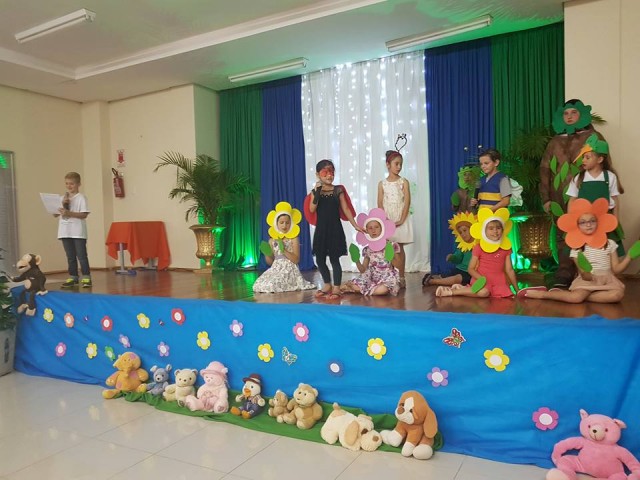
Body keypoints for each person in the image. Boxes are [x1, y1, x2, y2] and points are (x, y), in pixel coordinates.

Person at [540, 99, 610, 289]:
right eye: (566, 113)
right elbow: (545, 170)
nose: (569, 117)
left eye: (574, 113)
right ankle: (564, 272)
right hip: (558, 198)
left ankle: (590, 273)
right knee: (563, 233)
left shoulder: (594, 137)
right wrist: (546, 198)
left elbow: (604, 164)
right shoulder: (555, 142)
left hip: (587, 196)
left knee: (589, 230)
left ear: (582, 115)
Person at [521, 198, 634, 303]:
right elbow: (584, 274)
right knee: (576, 298)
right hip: (588, 280)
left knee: (617, 295)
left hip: (606, 280)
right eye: (583, 222)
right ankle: (544, 294)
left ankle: (584, 297)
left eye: (592, 221)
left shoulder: (610, 243)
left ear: (598, 222)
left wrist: (629, 256)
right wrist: (588, 274)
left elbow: (617, 269)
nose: (588, 225)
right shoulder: (577, 248)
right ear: (577, 226)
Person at [305, 159, 363, 300]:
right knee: (320, 259)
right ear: (318, 174)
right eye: (325, 172)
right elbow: (312, 209)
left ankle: (336, 286)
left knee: (334, 259)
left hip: (335, 229)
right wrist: (317, 192)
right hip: (321, 230)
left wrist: (355, 225)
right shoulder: (315, 192)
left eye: (331, 172)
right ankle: (327, 284)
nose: (329, 175)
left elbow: (346, 209)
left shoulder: (338, 190)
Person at [435, 208, 518, 298]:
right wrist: (481, 278)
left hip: (498, 282)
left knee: (504, 296)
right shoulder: (479, 247)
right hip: (481, 280)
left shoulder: (506, 248)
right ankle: (451, 292)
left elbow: (509, 270)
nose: (495, 231)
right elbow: (470, 269)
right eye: (491, 228)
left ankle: (463, 289)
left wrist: (517, 290)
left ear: (503, 229)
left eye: (498, 228)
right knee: (484, 293)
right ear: (484, 231)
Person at [567, 134, 625, 255]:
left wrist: (615, 220)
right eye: (583, 157)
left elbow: (615, 200)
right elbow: (572, 200)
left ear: (600, 159)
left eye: (587, 157)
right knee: (586, 252)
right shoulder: (579, 178)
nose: (583, 160)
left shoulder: (610, 177)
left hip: (604, 221)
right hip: (585, 223)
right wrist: (572, 221)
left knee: (609, 251)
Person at [253, 202, 316, 294]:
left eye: (287, 223)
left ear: (291, 223)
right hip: (276, 269)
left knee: (272, 285)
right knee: (258, 284)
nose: (284, 225)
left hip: (289, 269)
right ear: (276, 223)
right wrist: (267, 254)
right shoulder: (272, 240)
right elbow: (271, 262)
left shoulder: (293, 239)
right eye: (281, 223)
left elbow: (296, 260)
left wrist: (284, 250)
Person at [341, 211, 401, 296]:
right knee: (358, 284)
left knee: (383, 290)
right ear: (366, 231)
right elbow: (363, 270)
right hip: (372, 276)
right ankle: (362, 288)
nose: (373, 230)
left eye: (376, 227)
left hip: (386, 277)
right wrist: (356, 260)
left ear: (382, 228)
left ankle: (360, 289)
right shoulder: (368, 249)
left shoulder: (391, 245)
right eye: (370, 228)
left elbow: (399, 265)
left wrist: (391, 256)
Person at [378, 148, 413, 288]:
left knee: (399, 248)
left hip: (400, 217)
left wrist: (402, 219)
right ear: (388, 164)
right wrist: (384, 220)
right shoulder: (382, 184)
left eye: (400, 164)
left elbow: (407, 202)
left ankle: (401, 276)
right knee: (389, 248)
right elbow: (380, 203)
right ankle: (391, 276)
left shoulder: (403, 182)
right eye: (396, 164)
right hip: (388, 219)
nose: (399, 167)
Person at [55, 172, 91, 288]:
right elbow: (55, 214)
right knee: (70, 256)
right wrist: (61, 205)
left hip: (77, 231)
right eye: (67, 183)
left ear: (78, 184)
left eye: (72, 184)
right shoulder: (62, 198)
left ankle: (86, 276)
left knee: (81, 255)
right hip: (65, 231)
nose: (69, 186)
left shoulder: (81, 198)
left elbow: (84, 214)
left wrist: (69, 213)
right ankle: (73, 276)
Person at [423, 212, 476, 287]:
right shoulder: (462, 245)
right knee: (447, 273)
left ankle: (433, 281)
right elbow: (458, 258)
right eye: (460, 233)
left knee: (458, 278)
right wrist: (452, 257)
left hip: (470, 273)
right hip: (459, 269)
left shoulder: (478, 244)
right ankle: (437, 278)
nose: (463, 234)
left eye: (465, 230)